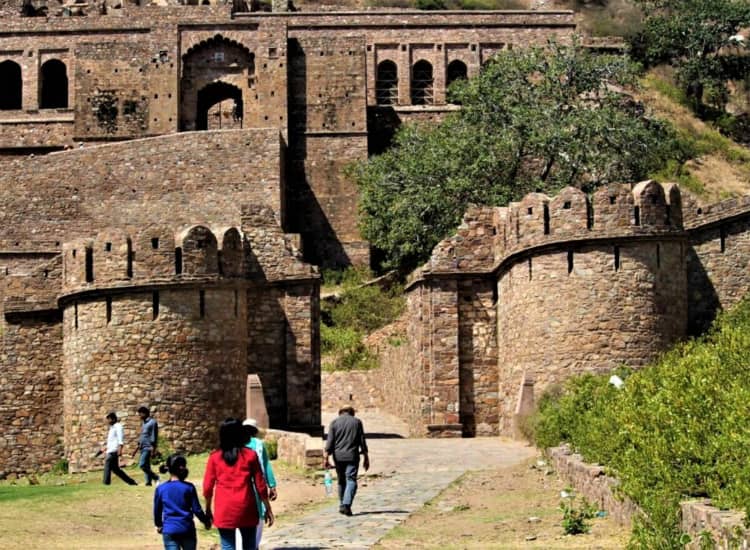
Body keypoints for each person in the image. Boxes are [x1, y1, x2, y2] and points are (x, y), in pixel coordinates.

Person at [203, 418, 274, 550]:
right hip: (246, 508)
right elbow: (260, 485)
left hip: (224, 509)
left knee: (227, 546)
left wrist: (207, 509)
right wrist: (267, 508)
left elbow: (207, 488)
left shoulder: (214, 458)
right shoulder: (250, 456)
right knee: (249, 545)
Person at [154, 454, 211, 550]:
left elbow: (157, 510)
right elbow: (197, 510)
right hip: (187, 528)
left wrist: (159, 524)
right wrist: (206, 521)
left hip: (169, 529)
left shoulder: (161, 489)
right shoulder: (189, 487)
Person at [323, 406, 370, 516]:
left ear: (340, 412)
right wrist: (366, 457)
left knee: (341, 480)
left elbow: (329, 442)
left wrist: (326, 458)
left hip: (338, 457)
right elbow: (362, 440)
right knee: (351, 479)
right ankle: (346, 504)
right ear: (352, 412)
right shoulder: (357, 422)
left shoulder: (334, 423)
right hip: (352, 456)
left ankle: (342, 504)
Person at [242, 418, 278, 549]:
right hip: (257, 487)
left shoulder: (236, 445)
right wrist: (272, 485)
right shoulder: (259, 444)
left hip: (240, 487)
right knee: (258, 515)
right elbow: (266, 465)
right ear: (255, 431)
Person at [101, 412, 137, 486]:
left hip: (114, 450)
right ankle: (131, 482)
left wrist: (120, 448)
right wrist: (105, 448)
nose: (108, 421)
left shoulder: (118, 426)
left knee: (107, 463)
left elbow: (120, 438)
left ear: (113, 419)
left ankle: (106, 483)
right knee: (116, 470)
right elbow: (111, 441)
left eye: (109, 419)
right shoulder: (112, 428)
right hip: (110, 450)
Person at [134, 406, 160, 486]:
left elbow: (153, 437)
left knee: (142, 465)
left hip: (148, 447)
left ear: (144, 413)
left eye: (140, 414)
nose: (139, 416)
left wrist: (153, 449)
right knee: (147, 465)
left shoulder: (152, 422)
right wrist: (136, 449)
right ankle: (148, 482)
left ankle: (155, 477)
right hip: (142, 447)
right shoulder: (144, 423)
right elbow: (143, 436)